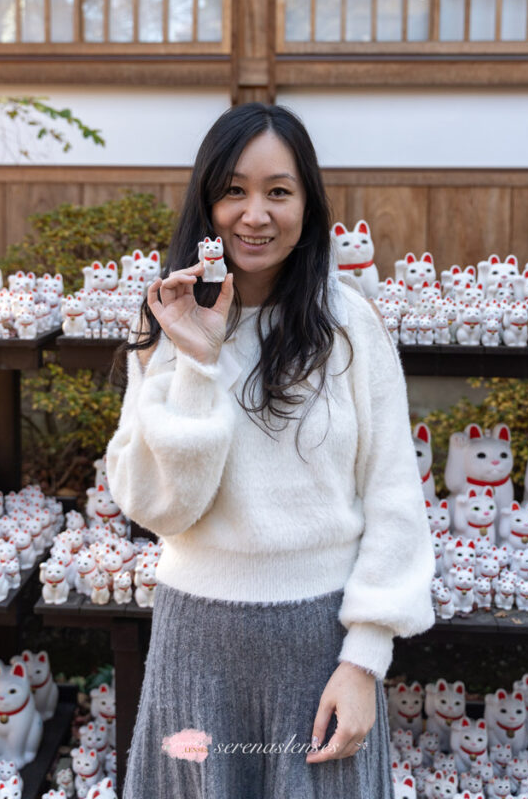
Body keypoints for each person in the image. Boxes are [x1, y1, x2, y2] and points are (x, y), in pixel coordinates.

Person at [106, 102, 436, 798]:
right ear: (205, 202)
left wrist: (364, 659)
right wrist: (197, 362)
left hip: (317, 641)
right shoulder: (166, 319)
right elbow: (155, 505)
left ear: (308, 205)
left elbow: (393, 497)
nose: (254, 214)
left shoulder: (349, 325)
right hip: (195, 636)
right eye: (233, 190)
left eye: (277, 192)